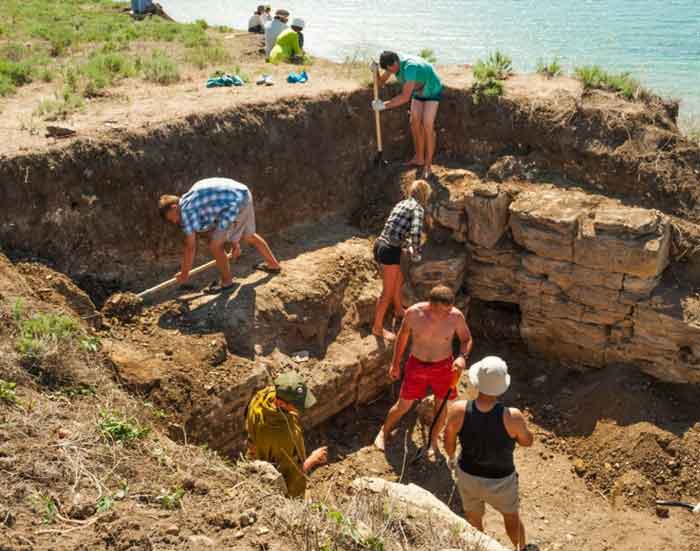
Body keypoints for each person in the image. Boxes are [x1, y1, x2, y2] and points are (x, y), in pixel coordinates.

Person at [444, 356, 534, 551]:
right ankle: (522, 548)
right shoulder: (512, 416)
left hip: (468, 475)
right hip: (501, 480)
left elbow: (449, 440)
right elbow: (527, 442)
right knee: (511, 517)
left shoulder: (458, 410)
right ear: (502, 387)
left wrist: (451, 459)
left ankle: (480, 547)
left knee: (473, 517)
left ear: (477, 382)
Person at [374, 285, 473, 458]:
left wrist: (462, 356)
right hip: (416, 365)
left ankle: (433, 441)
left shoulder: (455, 317)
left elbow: (466, 339)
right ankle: (384, 431)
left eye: (449, 309)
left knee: (441, 407)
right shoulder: (413, 313)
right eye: (442, 311)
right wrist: (395, 363)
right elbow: (402, 337)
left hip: (444, 367)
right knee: (403, 405)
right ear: (430, 305)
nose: (446, 314)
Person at [158, 177, 281, 294]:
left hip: (236, 203)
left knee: (215, 246)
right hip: (242, 193)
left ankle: (227, 283)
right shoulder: (190, 198)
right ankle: (273, 265)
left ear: (174, 207)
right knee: (248, 235)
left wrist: (185, 273)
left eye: (172, 218)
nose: (175, 222)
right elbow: (219, 219)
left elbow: (190, 247)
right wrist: (234, 241)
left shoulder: (186, 213)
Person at [246, 371, 328, 497]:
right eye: (296, 405)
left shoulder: (262, 396)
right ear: (280, 403)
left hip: (258, 454)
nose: (300, 409)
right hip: (285, 492)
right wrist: (312, 459)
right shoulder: (282, 436)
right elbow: (288, 479)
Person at [372, 179, 431, 340]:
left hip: (381, 244)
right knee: (387, 292)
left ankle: (399, 311)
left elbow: (397, 229)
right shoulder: (417, 209)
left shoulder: (402, 204)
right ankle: (377, 328)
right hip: (390, 250)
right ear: (424, 195)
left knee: (398, 280)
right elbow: (416, 233)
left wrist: (407, 246)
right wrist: (416, 252)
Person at [371, 51, 443, 178]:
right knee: (414, 122)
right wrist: (375, 71)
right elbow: (380, 82)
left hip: (431, 89)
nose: (391, 73)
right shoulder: (392, 63)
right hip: (418, 91)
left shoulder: (410, 67)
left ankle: (427, 164)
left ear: (395, 62)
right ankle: (419, 158)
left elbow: (405, 97)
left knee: (427, 124)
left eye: (391, 70)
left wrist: (383, 105)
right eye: (388, 70)